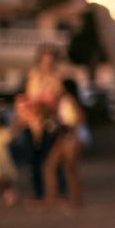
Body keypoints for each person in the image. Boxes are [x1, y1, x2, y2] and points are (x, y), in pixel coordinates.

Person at [15, 45, 64, 200]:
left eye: (51, 60)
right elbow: (25, 99)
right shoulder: (32, 76)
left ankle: (56, 191)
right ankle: (39, 192)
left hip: (50, 124)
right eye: (45, 60)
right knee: (33, 159)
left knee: (52, 159)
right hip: (32, 123)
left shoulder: (58, 78)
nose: (48, 64)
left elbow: (59, 101)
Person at [43, 79, 85, 207]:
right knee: (51, 166)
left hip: (70, 137)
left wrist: (71, 129)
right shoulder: (63, 100)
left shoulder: (70, 99)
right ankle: (52, 197)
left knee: (70, 169)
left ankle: (76, 200)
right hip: (63, 136)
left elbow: (79, 117)